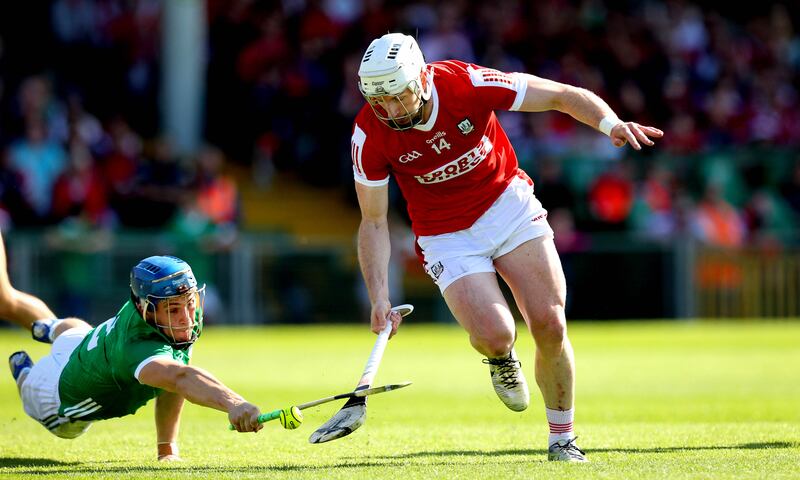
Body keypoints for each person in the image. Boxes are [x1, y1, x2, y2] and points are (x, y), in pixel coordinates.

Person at [351, 33, 663, 462]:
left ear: (422, 79)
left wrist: (611, 124)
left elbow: (560, 95)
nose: (389, 110)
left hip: (507, 206)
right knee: (497, 335)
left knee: (550, 324)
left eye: (398, 97)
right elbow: (372, 220)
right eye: (379, 101)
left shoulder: (466, 84)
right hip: (446, 236)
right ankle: (500, 358)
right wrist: (379, 296)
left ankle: (562, 439)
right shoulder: (369, 134)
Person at [2, 233, 263, 462]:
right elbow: (181, 378)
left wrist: (167, 451)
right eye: (173, 308)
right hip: (55, 397)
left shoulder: (153, 307)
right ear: (144, 308)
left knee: (74, 329)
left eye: (190, 302)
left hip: (86, 343)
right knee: (60, 422)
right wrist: (234, 403)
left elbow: (176, 376)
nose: (187, 317)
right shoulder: (138, 350)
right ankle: (25, 373)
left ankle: (49, 328)